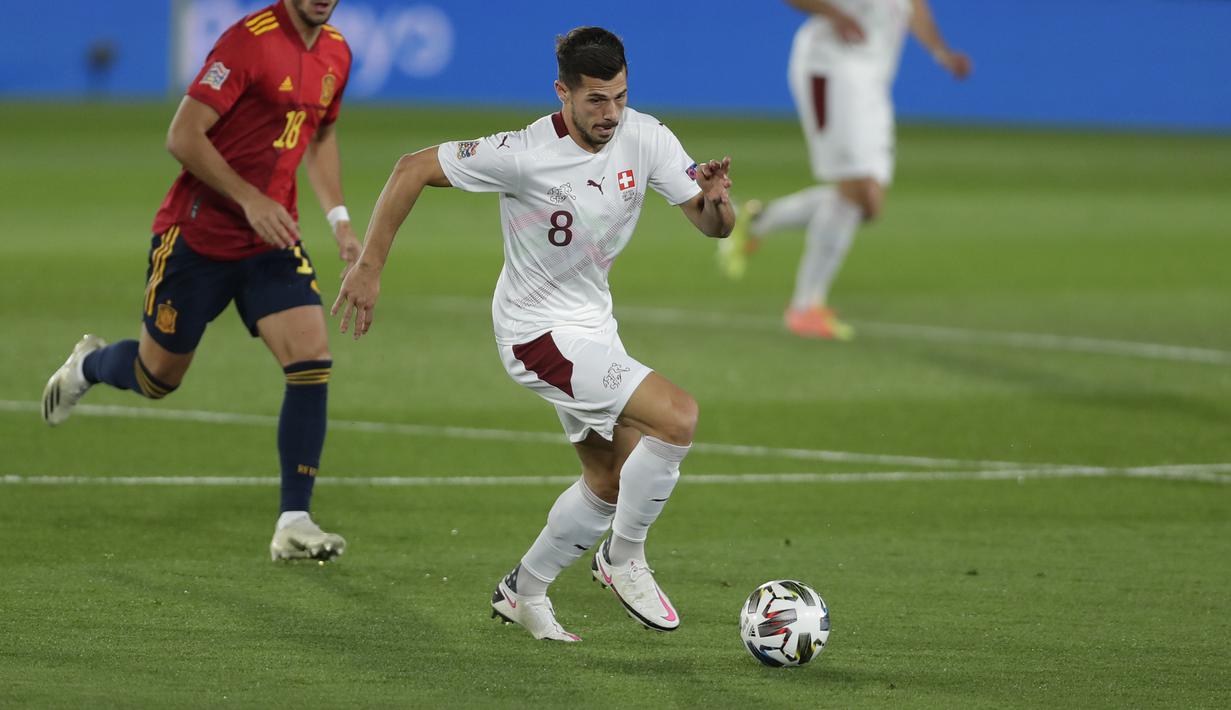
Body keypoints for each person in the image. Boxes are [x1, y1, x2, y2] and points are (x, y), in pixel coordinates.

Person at [332, 27, 735, 641]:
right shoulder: (522, 152)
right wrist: (369, 266)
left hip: (595, 325)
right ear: (563, 93)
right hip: (536, 333)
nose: (611, 113)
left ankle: (524, 591)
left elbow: (712, 227)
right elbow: (410, 168)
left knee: (609, 480)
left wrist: (718, 202)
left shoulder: (647, 137)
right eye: (596, 100)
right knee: (677, 416)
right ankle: (623, 559)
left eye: (620, 97)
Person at [40, 0, 359, 561]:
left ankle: (294, 520)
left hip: (270, 241)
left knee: (311, 358)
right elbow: (183, 135)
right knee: (157, 377)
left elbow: (320, 137)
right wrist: (250, 198)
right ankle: (88, 365)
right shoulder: (247, 42)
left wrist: (339, 221)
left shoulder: (337, 51)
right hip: (197, 239)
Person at [718, 0, 971, 339]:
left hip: (872, 80)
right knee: (856, 189)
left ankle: (756, 222)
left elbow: (915, 7)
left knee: (868, 204)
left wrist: (941, 52)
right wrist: (838, 14)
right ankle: (806, 307)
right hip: (832, 67)